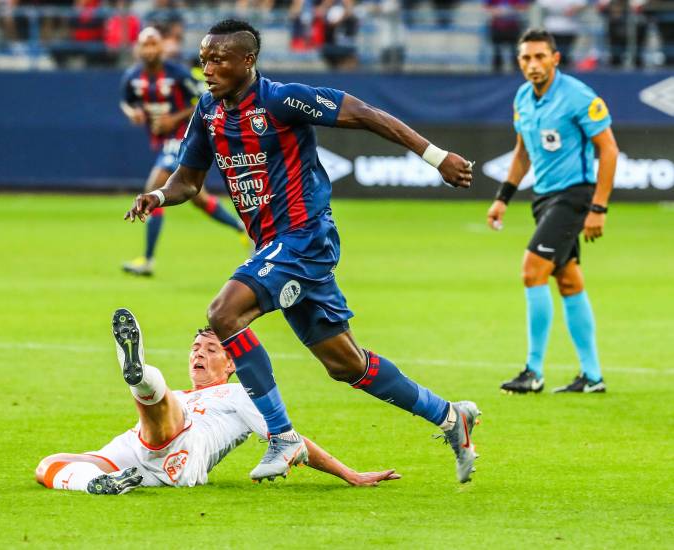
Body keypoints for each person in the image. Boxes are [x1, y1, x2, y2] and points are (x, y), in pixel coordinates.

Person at [125, 19, 481, 483]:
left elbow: (368, 114)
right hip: (275, 246)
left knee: (224, 313)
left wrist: (436, 157)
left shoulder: (281, 99)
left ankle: (282, 436)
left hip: (304, 237)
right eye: (204, 58)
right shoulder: (209, 112)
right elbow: (188, 181)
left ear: (247, 61)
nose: (207, 68)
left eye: (218, 59)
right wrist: (158, 197)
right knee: (345, 363)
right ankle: (451, 417)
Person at [36, 309, 402, 493]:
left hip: (183, 449)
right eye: (195, 348)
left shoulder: (241, 393)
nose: (199, 353)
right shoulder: (182, 394)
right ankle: (98, 485)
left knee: (162, 407)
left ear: (231, 364)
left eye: (211, 349)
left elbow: (291, 440)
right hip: (137, 453)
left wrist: (349, 475)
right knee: (49, 464)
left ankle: (141, 376)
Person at [487, 28, 619, 394]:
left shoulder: (578, 96)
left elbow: (608, 150)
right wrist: (503, 197)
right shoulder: (522, 99)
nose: (533, 64)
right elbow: (522, 152)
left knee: (532, 271)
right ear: (519, 62)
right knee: (569, 281)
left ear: (555, 58)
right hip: (543, 199)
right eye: (526, 58)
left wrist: (598, 207)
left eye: (540, 56)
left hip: (574, 195)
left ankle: (533, 370)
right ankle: (592, 377)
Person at [120, 26, 246, 277]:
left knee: (155, 185)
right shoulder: (132, 77)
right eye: (145, 45)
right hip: (164, 140)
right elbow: (126, 101)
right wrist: (132, 113)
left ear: (162, 47)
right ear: (138, 49)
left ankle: (147, 260)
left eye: (154, 43)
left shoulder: (178, 73)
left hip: (185, 136)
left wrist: (173, 119)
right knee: (198, 198)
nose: (150, 49)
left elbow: (205, 100)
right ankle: (242, 227)